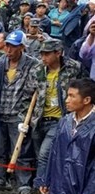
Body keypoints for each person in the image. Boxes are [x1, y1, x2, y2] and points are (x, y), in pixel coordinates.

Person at [36, 78, 95, 194]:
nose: (67, 100)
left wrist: (91, 193)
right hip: (62, 183)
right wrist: (46, 179)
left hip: (82, 185)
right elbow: (54, 153)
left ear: (86, 100)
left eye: (72, 96)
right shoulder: (64, 122)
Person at [0, 30, 39, 194]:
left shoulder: (32, 65)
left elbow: (34, 91)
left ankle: (23, 182)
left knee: (21, 148)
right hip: (0, 111)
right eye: (7, 46)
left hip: (19, 114)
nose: (9, 50)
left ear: (22, 47)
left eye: (13, 47)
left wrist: (27, 118)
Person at [32, 39, 83, 184]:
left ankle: (41, 184)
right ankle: (48, 181)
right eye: (42, 54)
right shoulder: (38, 69)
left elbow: (83, 90)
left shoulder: (74, 68)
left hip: (61, 119)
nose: (43, 58)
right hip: (39, 119)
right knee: (40, 155)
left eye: (47, 54)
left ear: (58, 53)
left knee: (44, 154)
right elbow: (28, 93)